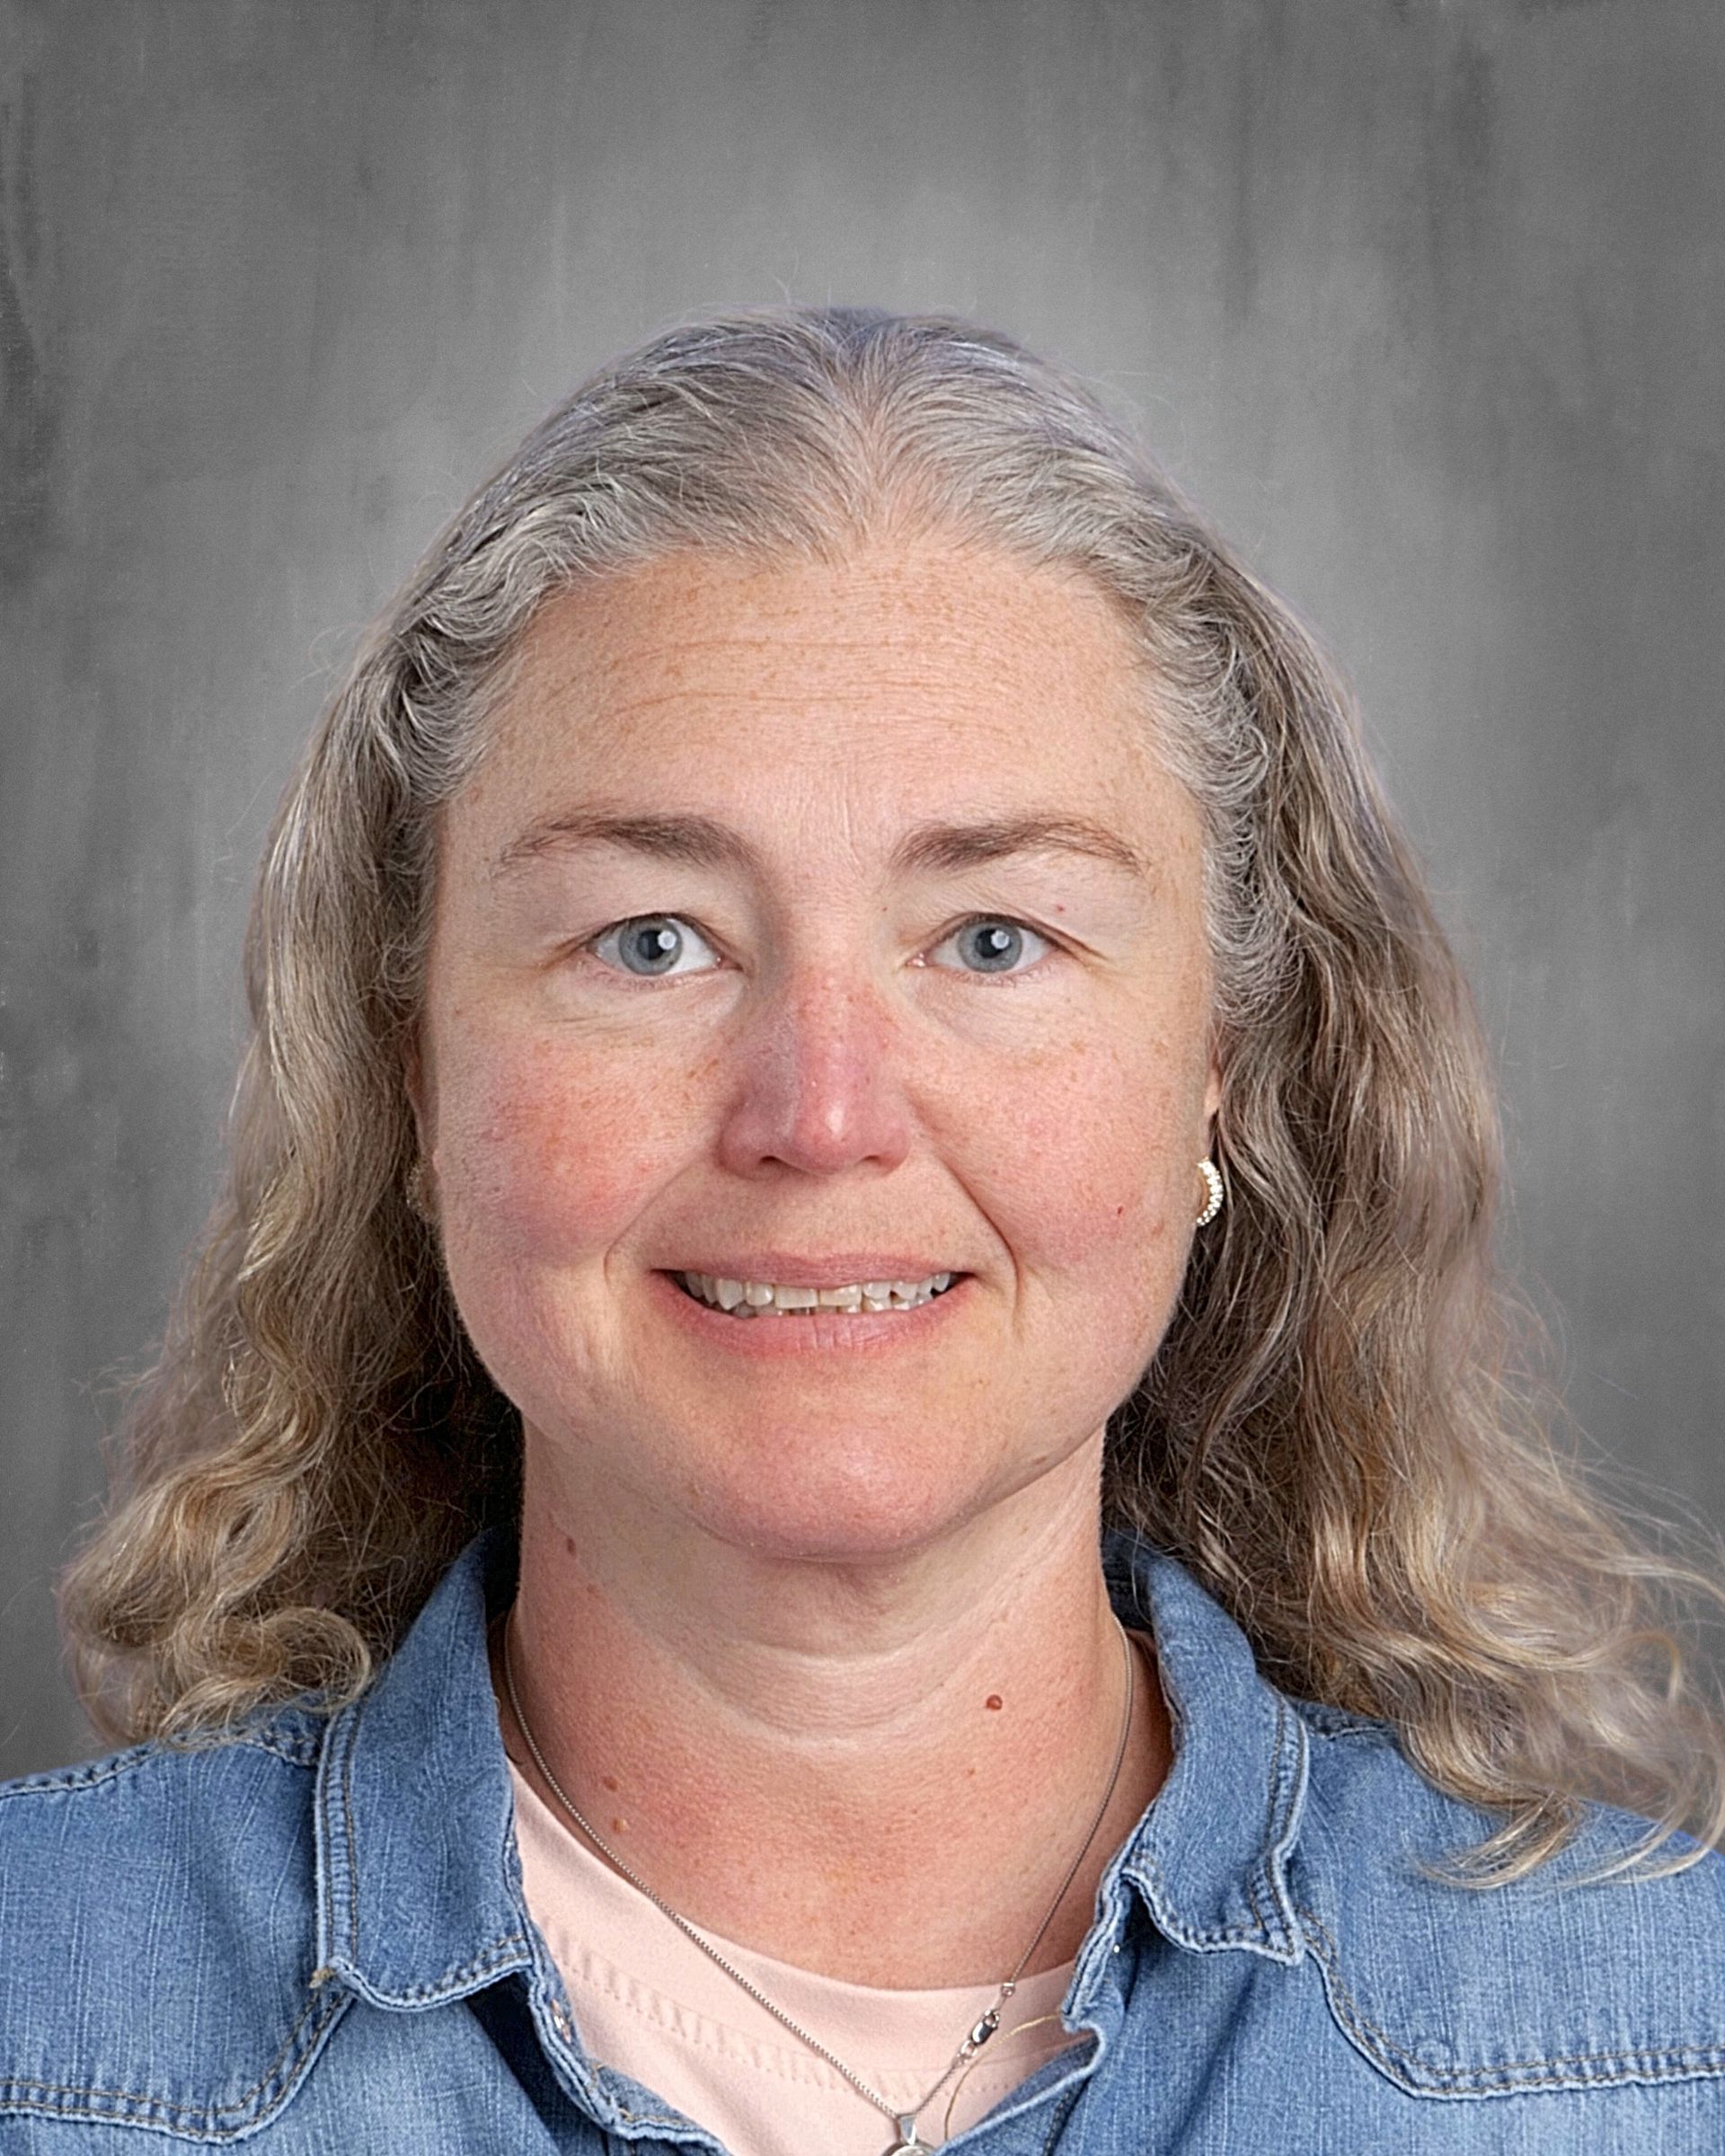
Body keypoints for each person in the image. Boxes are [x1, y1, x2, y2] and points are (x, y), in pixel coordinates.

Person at [4, 306, 1722, 2154]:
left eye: (994, 940)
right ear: (409, 1071)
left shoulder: (1666, 2060)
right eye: (651, 940)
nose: (822, 1119)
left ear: (1216, 1068)